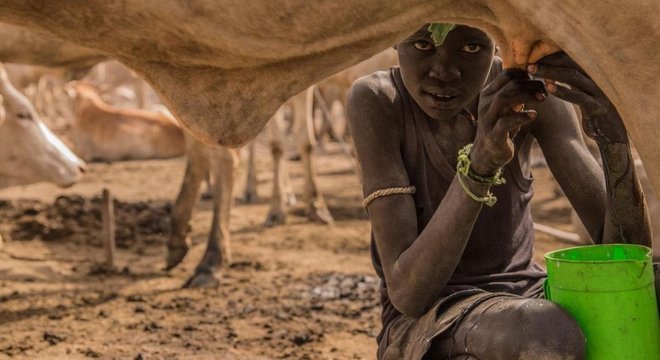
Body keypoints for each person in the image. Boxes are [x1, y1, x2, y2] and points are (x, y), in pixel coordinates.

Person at [346, 23, 653, 360]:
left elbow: (628, 257)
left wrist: (612, 139)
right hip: (430, 322)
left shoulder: (524, 92)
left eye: (471, 48)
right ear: (394, 37)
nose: (444, 72)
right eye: (422, 44)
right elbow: (408, 295)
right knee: (545, 334)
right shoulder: (379, 100)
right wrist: (480, 165)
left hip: (527, 300)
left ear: (497, 42)